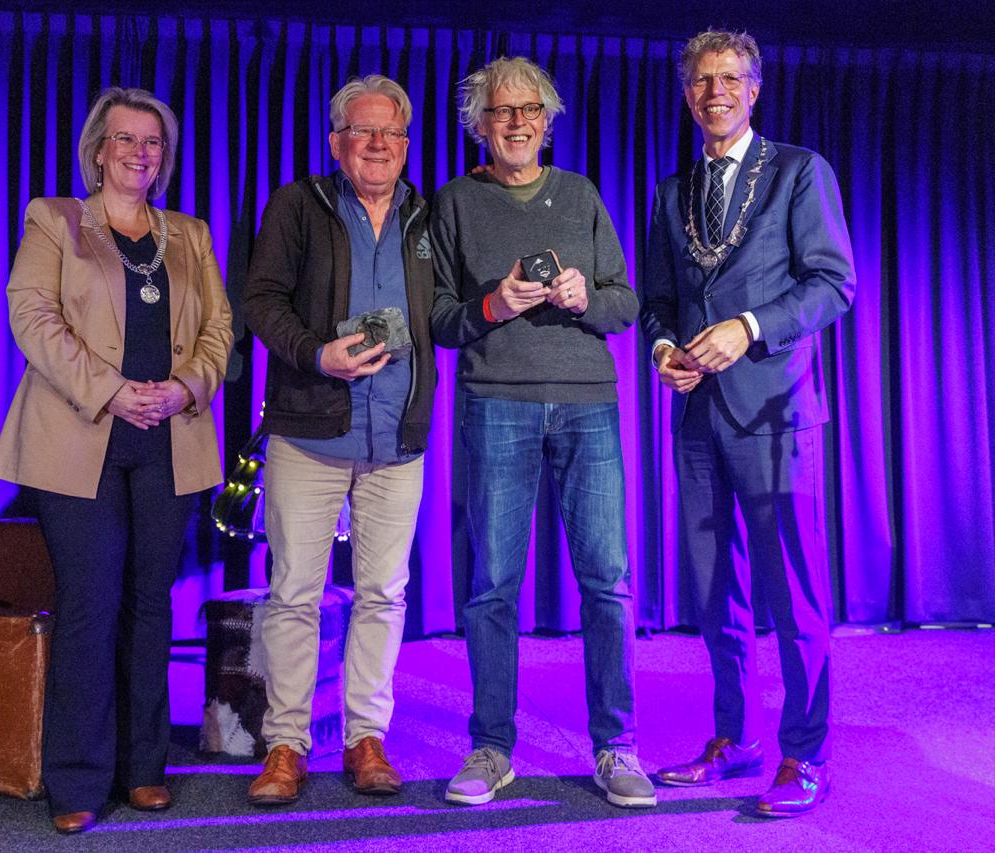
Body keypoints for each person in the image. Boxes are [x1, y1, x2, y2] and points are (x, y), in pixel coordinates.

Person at [0, 87, 232, 833]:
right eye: (125, 140)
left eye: (152, 142)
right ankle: (77, 778)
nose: (139, 153)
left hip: (168, 437)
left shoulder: (188, 233)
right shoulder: (55, 219)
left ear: (165, 155)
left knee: (152, 605)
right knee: (91, 605)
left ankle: (144, 767)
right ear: (99, 149)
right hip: (79, 437)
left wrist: (186, 386)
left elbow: (220, 328)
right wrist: (115, 391)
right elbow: (30, 313)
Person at [639, 30, 855, 817]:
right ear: (688, 93)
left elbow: (834, 283)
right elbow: (659, 301)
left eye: (730, 77)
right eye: (702, 79)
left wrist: (750, 326)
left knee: (792, 591)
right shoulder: (673, 192)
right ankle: (737, 739)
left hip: (774, 412)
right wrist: (665, 347)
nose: (716, 89)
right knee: (714, 589)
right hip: (696, 413)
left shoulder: (799, 171)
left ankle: (804, 752)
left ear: (755, 89)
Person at [430, 56, 654, 809]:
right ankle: (492, 746)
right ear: (480, 126)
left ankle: (616, 746)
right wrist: (494, 304)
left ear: (548, 122)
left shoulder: (582, 194)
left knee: (608, 584)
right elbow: (438, 319)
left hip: (588, 402)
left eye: (530, 110)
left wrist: (587, 294)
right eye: (500, 112)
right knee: (492, 585)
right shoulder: (456, 201)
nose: (517, 122)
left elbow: (625, 306)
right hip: (497, 402)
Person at [241, 74, 436, 805]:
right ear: (337, 143)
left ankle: (365, 738)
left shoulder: (427, 214)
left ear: (407, 145)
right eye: (363, 130)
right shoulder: (300, 205)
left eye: (391, 133)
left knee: (384, 593)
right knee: (294, 591)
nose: (378, 144)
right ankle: (285, 744)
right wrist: (316, 351)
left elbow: (442, 311)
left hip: (398, 437)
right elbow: (259, 299)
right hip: (310, 430)